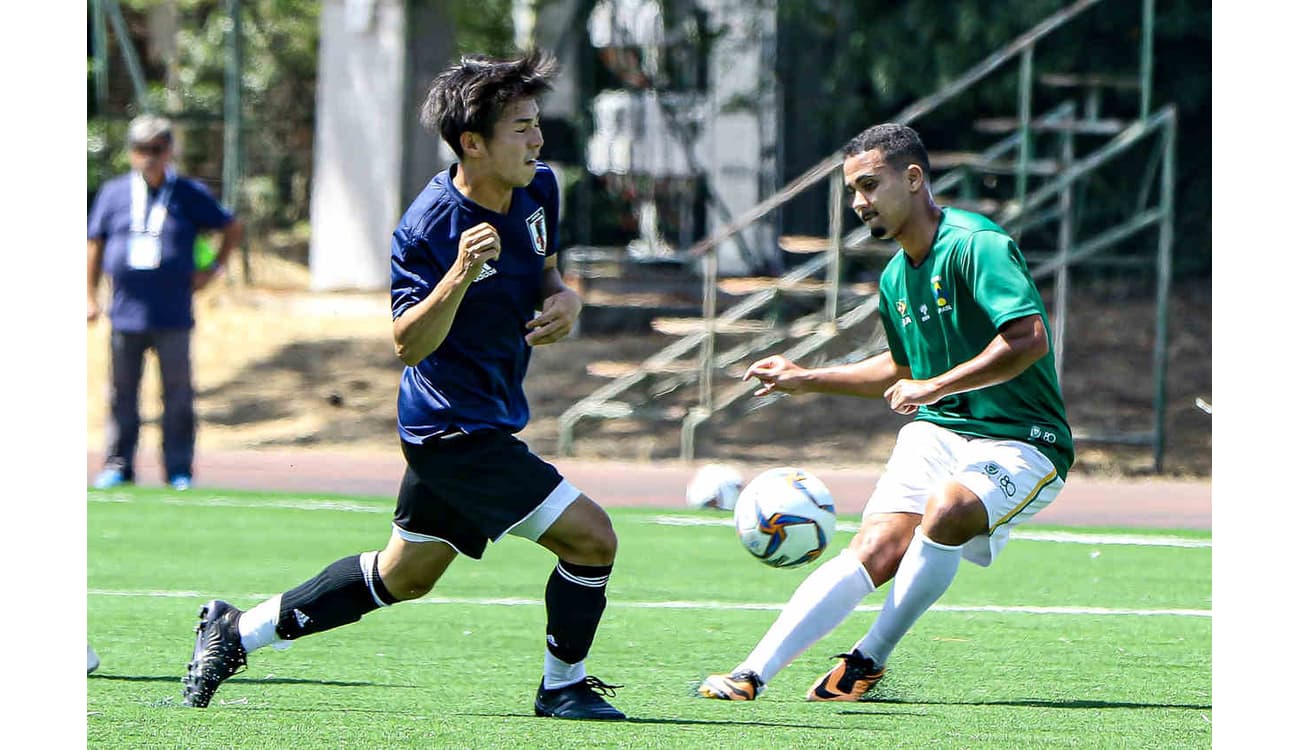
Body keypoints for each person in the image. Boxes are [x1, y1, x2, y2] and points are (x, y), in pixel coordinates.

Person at [180, 49, 626, 721]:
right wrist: (457, 273)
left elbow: (547, 274)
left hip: (483, 420)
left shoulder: (540, 189)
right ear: (472, 143)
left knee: (401, 577)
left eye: (537, 123)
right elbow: (406, 342)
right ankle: (563, 687)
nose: (537, 140)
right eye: (522, 128)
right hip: (453, 431)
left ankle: (234, 631)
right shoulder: (428, 226)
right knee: (593, 538)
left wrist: (567, 300)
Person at [698, 123, 1073, 702]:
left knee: (946, 510)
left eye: (869, 185)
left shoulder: (979, 246)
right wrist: (807, 379)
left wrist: (936, 385)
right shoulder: (896, 276)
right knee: (875, 548)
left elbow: (1027, 341)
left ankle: (867, 660)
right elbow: (903, 367)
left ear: (914, 179)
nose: (858, 203)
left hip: (1022, 438)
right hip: (941, 429)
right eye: (853, 190)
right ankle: (751, 672)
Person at [87, 114, 243, 491]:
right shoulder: (114, 193)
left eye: (156, 150)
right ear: (131, 154)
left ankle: (178, 468)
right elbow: (95, 243)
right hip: (125, 313)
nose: (149, 158)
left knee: (177, 395)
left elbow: (231, 227)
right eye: (142, 150)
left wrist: (214, 270)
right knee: (122, 393)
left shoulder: (188, 193)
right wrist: (88, 295)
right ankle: (119, 464)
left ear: (169, 151)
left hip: (172, 313)